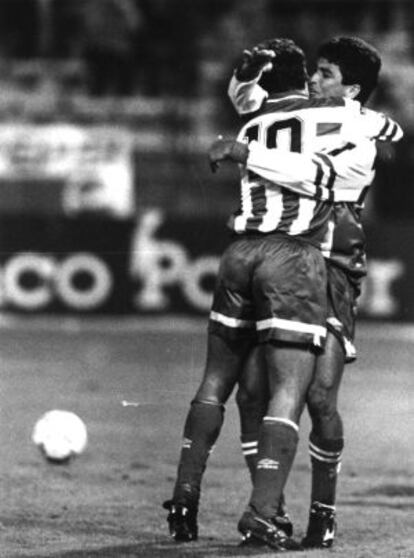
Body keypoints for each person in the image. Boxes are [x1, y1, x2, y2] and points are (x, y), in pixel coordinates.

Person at [163, 38, 399, 551]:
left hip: (331, 268)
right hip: (294, 261)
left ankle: (320, 509)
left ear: (352, 89)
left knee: (318, 396)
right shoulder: (324, 117)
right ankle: (264, 509)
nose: (316, 82)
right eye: (312, 73)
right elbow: (261, 106)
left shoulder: (354, 129)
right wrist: (246, 83)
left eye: (327, 75)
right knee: (253, 389)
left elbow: (323, 155)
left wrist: (244, 126)